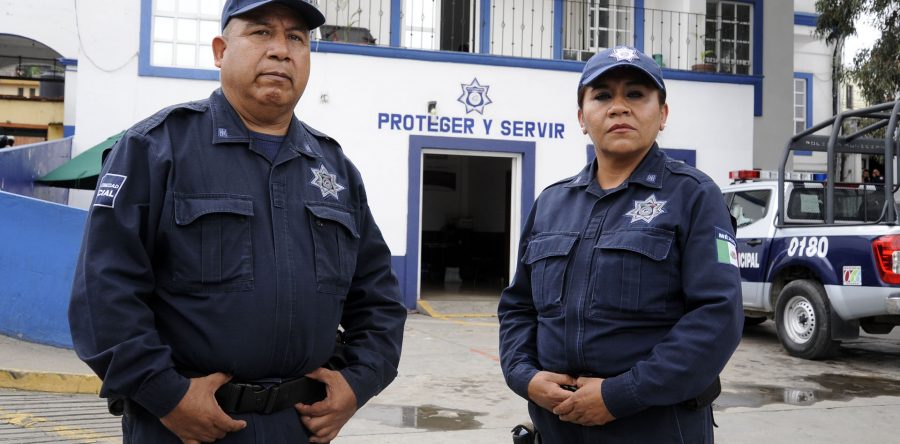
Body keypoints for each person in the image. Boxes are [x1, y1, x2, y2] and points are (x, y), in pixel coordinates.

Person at [68, 1, 407, 442]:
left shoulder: (335, 170)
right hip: (186, 428)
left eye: (297, 38)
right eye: (261, 33)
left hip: (299, 427)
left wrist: (358, 383)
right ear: (220, 50)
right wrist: (166, 395)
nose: (281, 51)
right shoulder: (155, 149)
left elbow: (379, 299)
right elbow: (103, 295)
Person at [498, 45, 743, 443]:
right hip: (555, 426)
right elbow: (518, 306)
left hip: (655, 425)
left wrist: (619, 395)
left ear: (662, 114)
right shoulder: (551, 203)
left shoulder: (694, 196)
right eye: (602, 95)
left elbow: (717, 316)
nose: (618, 107)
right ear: (582, 117)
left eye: (635, 94)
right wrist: (524, 377)